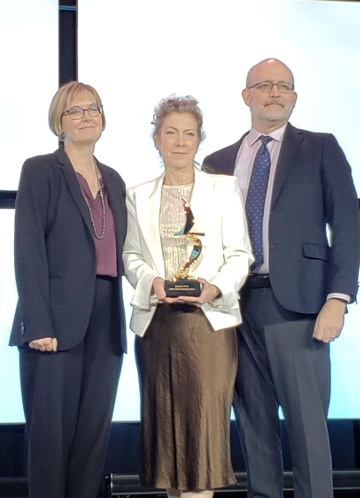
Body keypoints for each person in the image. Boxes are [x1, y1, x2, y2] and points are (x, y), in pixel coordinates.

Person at [202, 58, 360, 498]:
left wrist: (338, 297)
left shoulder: (321, 147)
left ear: (293, 96)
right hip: (234, 309)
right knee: (254, 431)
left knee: (308, 430)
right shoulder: (217, 162)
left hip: (301, 307)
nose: (276, 93)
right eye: (265, 85)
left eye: (284, 86)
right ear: (246, 95)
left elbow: (348, 223)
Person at [123, 95, 253, 498]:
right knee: (168, 445)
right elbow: (130, 255)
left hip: (208, 327)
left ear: (200, 140)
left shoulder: (223, 188)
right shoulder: (137, 194)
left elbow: (240, 254)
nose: (180, 142)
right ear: (156, 138)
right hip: (157, 327)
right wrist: (152, 282)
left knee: (201, 441)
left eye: (189, 134)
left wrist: (214, 287)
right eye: (171, 133)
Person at [9, 81, 127, 498]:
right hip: (53, 322)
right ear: (59, 121)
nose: (85, 116)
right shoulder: (40, 170)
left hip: (106, 320)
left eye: (92, 109)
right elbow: (28, 251)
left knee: (92, 443)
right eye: (74, 111)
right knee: (50, 443)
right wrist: (37, 322)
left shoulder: (113, 178)